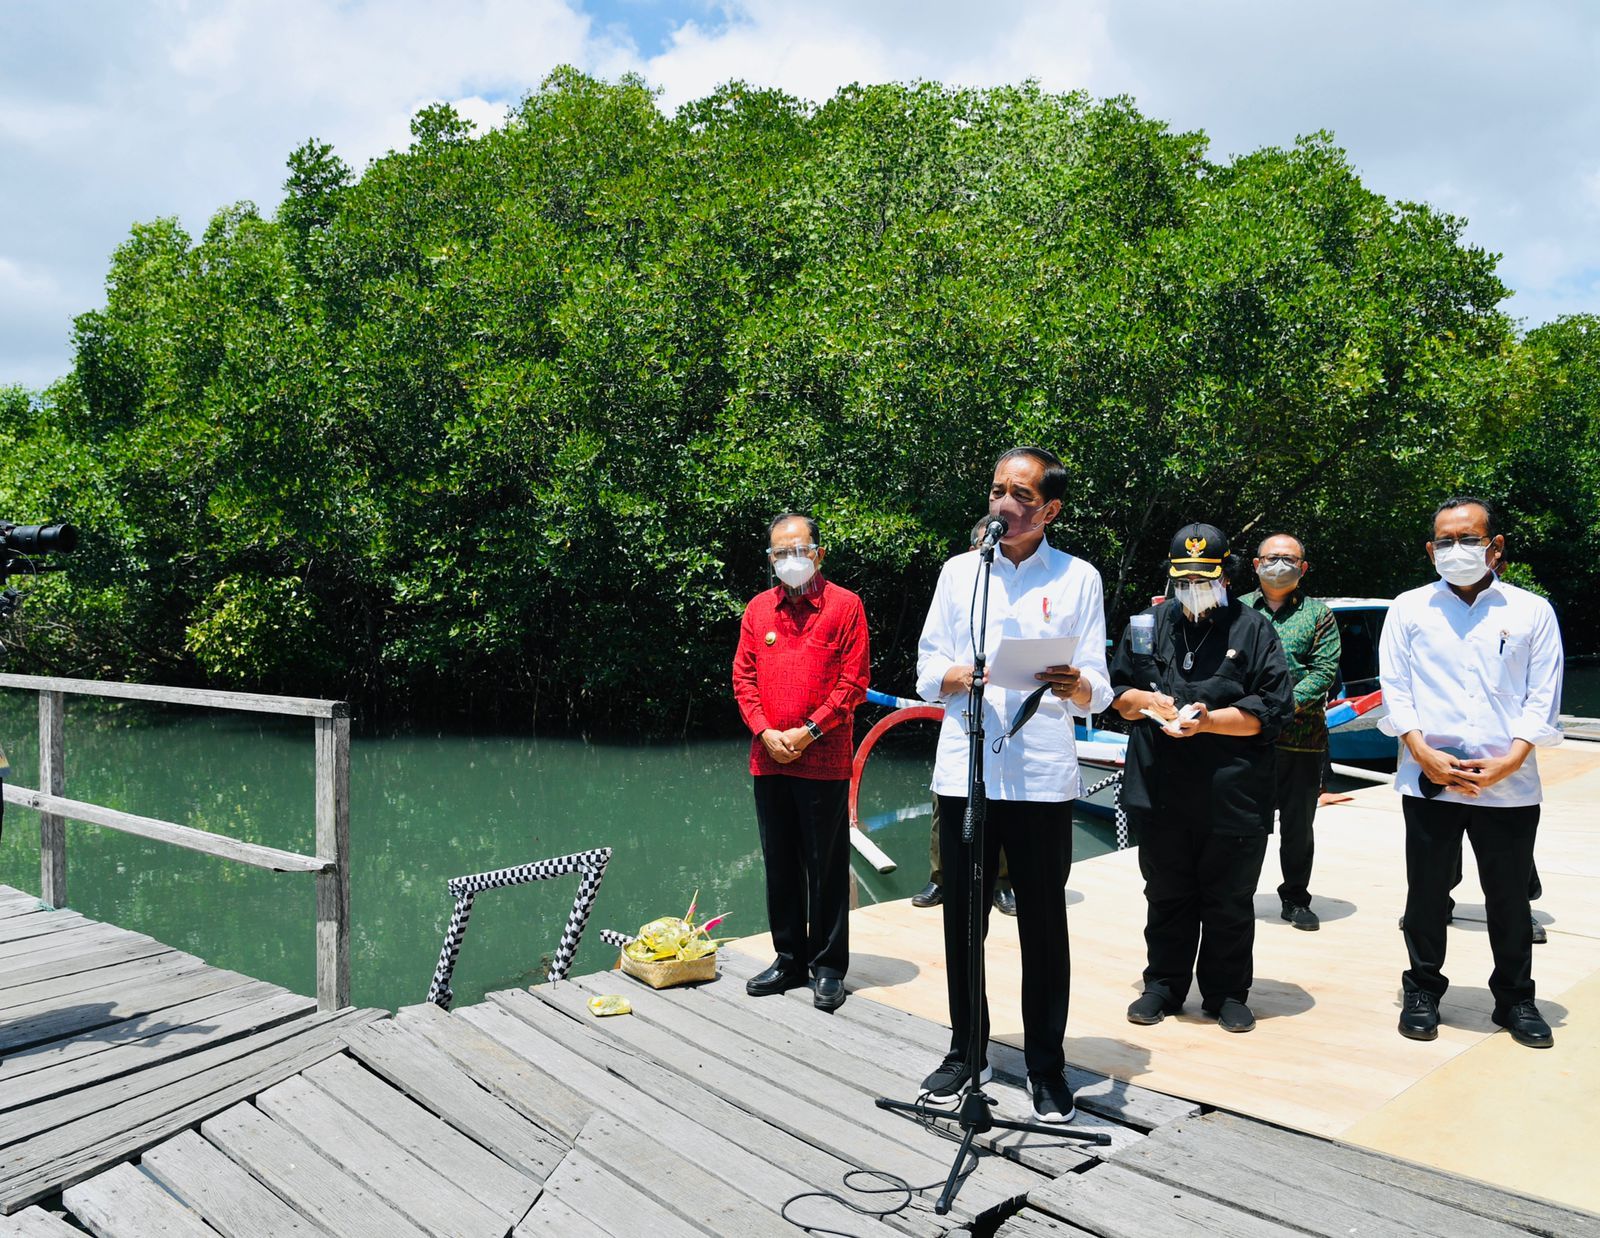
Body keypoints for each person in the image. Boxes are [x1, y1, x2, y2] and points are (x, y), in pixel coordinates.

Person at [915, 446, 1111, 1123]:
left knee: (1044, 927)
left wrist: (1073, 683)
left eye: (1021, 495)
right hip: (963, 770)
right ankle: (964, 1050)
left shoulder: (1080, 577)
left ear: (1050, 509)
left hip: (1042, 776)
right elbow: (924, 668)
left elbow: (1097, 689)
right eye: (998, 490)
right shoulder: (958, 573)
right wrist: (960, 677)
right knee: (961, 922)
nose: (1004, 504)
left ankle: (1046, 1065)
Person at [1380, 497, 1563, 1048]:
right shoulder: (1409, 608)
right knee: (1427, 892)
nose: (1456, 549)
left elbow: (1542, 697)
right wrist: (1421, 752)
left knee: (1508, 895)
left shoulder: (1531, 611)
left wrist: (1511, 759)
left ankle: (1514, 998)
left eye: (1468, 538)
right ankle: (1423, 989)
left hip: (1507, 780)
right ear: (1430, 548)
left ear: (1495, 546)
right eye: (1444, 540)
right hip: (1429, 775)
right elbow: (1396, 689)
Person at [1111, 523, 1294, 1033]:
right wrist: (1147, 702)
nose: (1194, 586)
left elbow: (1274, 710)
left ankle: (1227, 992)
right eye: (1184, 578)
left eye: (1204, 577)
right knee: (1166, 893)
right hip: (1161, 786)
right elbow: (1117, 696)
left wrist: (1209, 720)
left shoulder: (1253, 628)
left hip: (1231, 790)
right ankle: (1163, 985)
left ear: (1226, 574)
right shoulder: (1147, 624)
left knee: (1229, 899)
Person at [731, 513, 870, 1012]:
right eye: (780, 553)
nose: (790, 560)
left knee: (826, 866)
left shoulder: (845, 607)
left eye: (799, 550)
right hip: (768, 759)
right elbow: (743, 679)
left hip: (825, 757)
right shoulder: (757, 610)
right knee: (780, 864)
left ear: (818, 553)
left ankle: (829, 966)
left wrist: (809, 730)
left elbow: (853, 683)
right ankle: (789, 957)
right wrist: (766, 731)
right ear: (770, 560)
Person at [915, 517, 1015, 917]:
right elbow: (930, 661)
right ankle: (940, 878)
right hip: (961, 719)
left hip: (1011, 724)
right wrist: (955, 676)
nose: (984, 552)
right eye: (981, 544)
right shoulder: (957, 583)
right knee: (947, 807)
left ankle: (1003, 884)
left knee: (1004, 803)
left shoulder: (1016, 591)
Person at [1241, 534, 1341, 931]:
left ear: (1303, 568)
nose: (1278, 565)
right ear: (1255, 564)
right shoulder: (1237, 610)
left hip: (1302, 738)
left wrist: (1277, 708)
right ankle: (1237, 894)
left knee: (1298, 825)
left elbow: (1323, 671)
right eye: (1271, 558)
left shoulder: (1319, 615)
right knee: (1244, 822)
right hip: (1244, 735)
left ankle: (1296, 898)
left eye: (1288, 559)